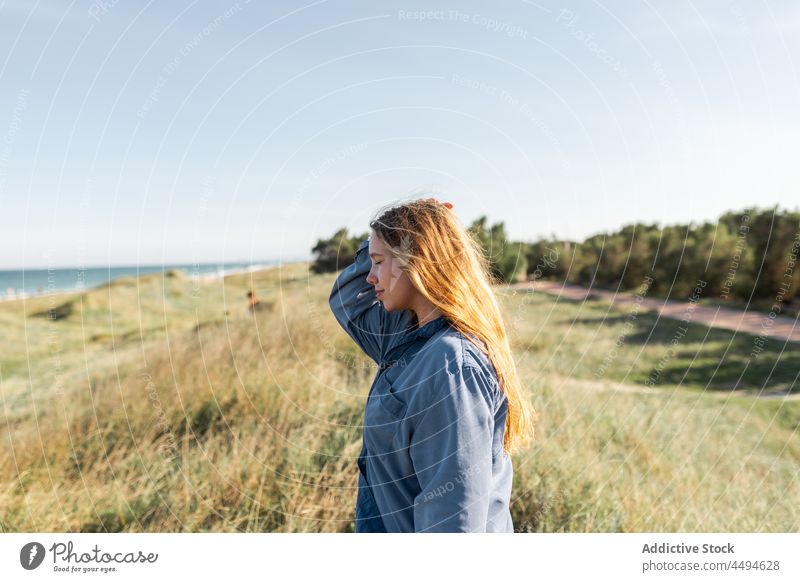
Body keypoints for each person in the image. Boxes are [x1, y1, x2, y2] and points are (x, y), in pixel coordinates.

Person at [328, 198, 535, 532]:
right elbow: (347, 301)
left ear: (415, 262)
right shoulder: (406, 332)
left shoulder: (451, 366)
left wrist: (407, 233)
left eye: (378, 262)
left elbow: (454, 524)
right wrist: (384, 239)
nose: (369, 276)